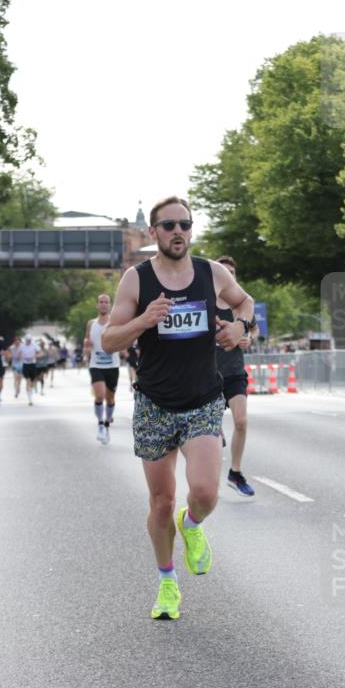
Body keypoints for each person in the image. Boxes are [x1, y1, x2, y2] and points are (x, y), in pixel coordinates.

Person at [102, 195, 254, 620]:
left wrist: (240, 326)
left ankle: (192, 526)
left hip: (203, 398)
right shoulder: (137, 279)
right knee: (161, 503)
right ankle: (167, 582)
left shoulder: (212, 272)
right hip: (154, 403)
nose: (177, 232)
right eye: (167, 226)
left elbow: (245, 302)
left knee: (204, 492)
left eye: (184, 225)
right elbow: (109, 341)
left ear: (191, 229)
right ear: (153, 233)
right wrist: (143, 321)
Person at [216, 256, 257, 497]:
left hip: (234, 372)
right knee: (210, 431)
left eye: (232, 272)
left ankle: (235, 472)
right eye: (224, 271)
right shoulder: (207, 302)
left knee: (241, 422)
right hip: (208, 375)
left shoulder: (242, 305)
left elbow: (254, 327)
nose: (229, 275)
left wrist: (248, 338)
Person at [83, 294, 121, 445]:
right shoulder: (91, 323)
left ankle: (106, 425)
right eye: (101, 302)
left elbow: (121, 339)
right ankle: (100, 425)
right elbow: (87, 340)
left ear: (110, 305)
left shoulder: (115, 322)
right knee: (100, 395)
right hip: (96, 364)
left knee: (110, 398)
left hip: (112, 365)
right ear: (97, 305)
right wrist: (86, 348)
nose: (104, 304)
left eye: (106, 302)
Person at [20, 333, 39, 405]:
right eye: (27, 340)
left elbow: (40, 353)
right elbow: (20, 353)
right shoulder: (22, 346)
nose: (28, 341)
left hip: (33, 365)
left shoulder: (34, 346)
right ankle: (30, 399)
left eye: (29, 340)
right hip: (25, 365)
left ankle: (31, 391)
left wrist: (35, 356)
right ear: (25, 340)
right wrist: (21, 356)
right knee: (28, 381)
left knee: (32, 382)